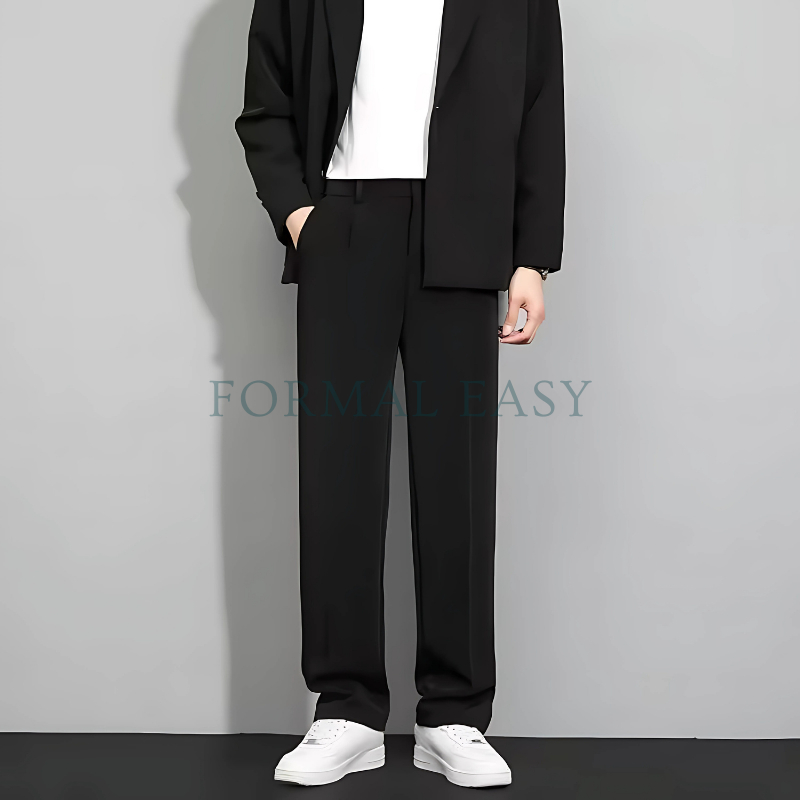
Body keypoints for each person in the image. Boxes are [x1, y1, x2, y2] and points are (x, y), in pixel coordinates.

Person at [235, 0, 565, 788]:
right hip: (344, 223)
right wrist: (300, 216)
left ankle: (454, 714)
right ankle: (346, 710)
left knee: (458, 476)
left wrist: (531, 257)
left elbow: (540, 105)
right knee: (338, 471)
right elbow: (265, 102)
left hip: (467, 226)